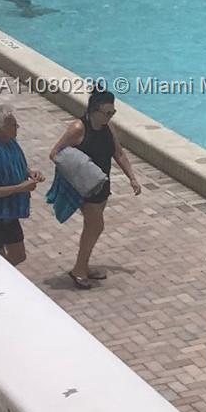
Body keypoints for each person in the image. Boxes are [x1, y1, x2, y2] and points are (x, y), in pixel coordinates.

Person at [50, 88, 140, 289]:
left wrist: (132, 178)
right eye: (107, 113)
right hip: (85, 187)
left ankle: (83, 265)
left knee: (91, 229)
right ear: (93, 110)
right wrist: (82, 166)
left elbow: (119, 154)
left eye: (113, 113)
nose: (110, 117)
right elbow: (55, 153)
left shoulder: (108, 127)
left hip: (102, 184)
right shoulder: (78, 128)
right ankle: (78, 270)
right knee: (96, 226)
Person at [0, 103, 44, 268]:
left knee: (18, 255)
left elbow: (15, 163)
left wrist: (30, 172)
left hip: (8, 213)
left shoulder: (10, 142)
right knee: (0, 263)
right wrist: (20, 188)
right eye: (13, 125)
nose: (17, 128)